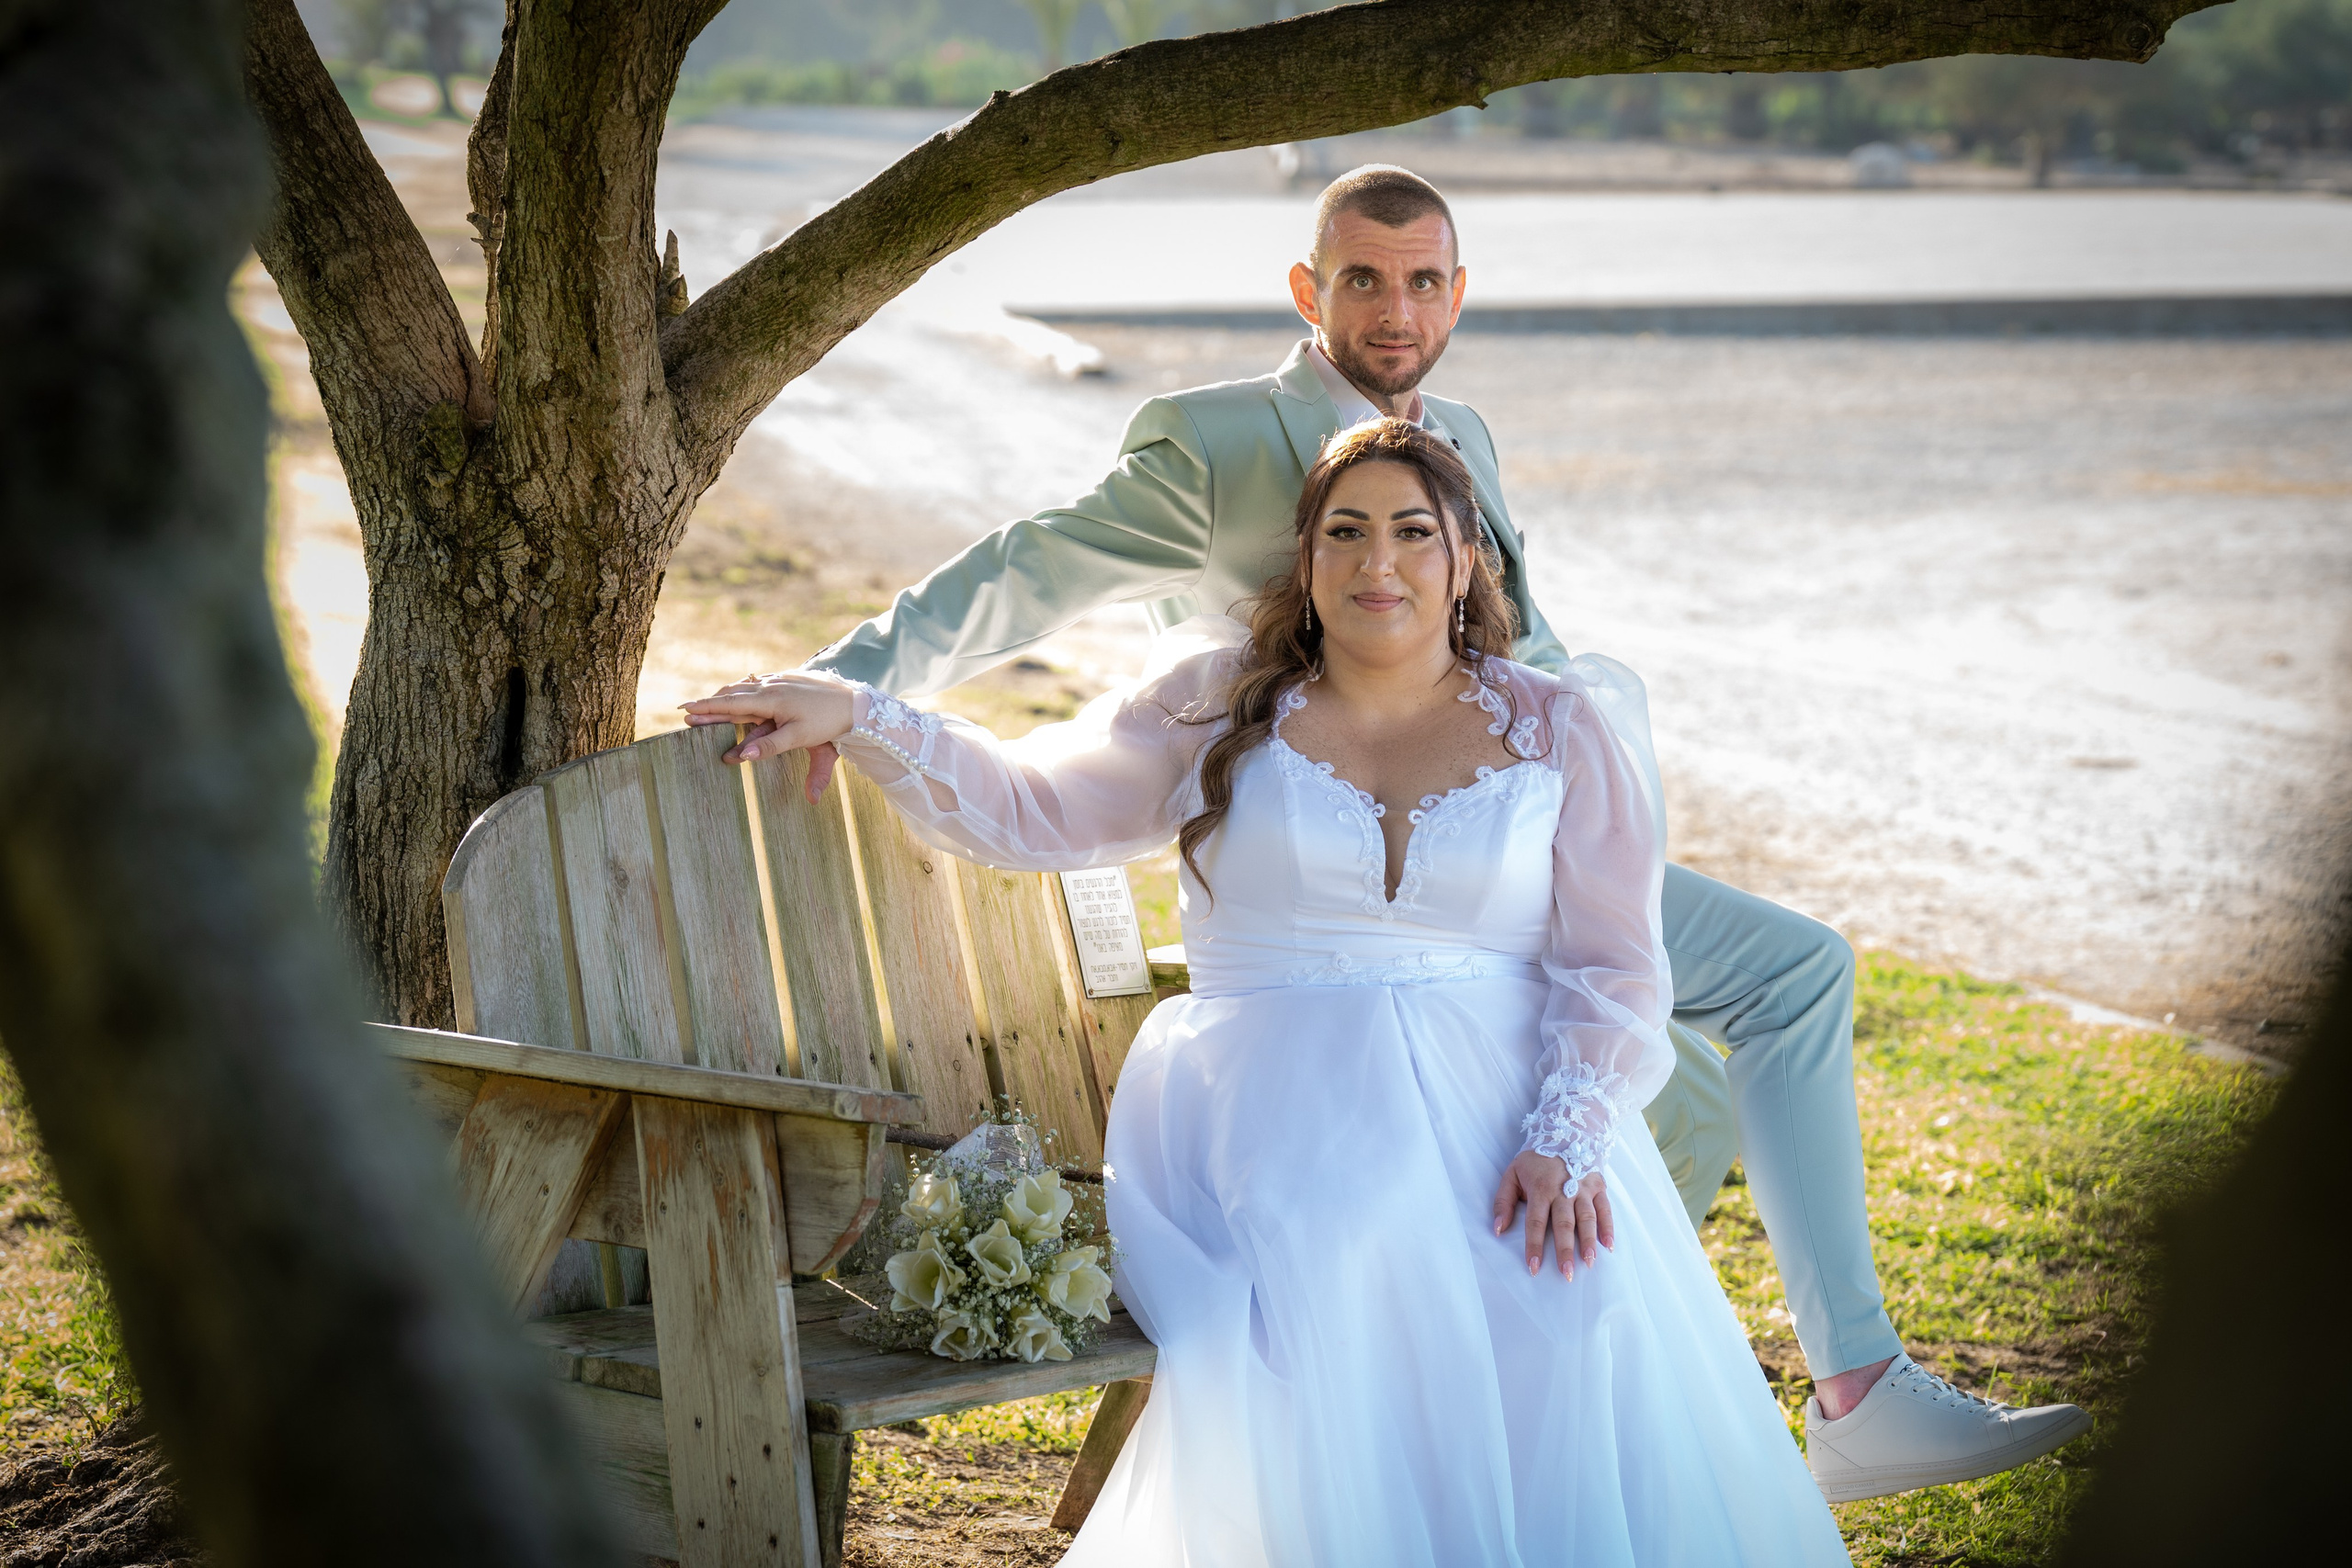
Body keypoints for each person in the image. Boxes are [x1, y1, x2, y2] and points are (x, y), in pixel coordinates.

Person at [725, 164, 2089, 1500]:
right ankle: (1804, 1386)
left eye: (1425, 281)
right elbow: (1025, 573)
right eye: (1366, 280)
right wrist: (849, 682)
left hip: (1501, 818)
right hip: (1308, 851)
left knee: (1709, 1024)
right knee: (1708, 1039)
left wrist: (1559, 755)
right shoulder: (1211, 441)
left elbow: (1523, 647)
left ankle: (1805, 1381)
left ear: (1456, 293)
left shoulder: (1469, 440)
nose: (1395, 310)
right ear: (1310, 287)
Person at [688, 420, 1855, 1563]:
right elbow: (1039, 812)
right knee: (1357, 1231)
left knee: (1554, 1284)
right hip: (1268, 1105)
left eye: (1411, 531)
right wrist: (867, 712)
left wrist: (1568, 1132)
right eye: (1343, 532)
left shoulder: (1557, 726)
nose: (1375, 562)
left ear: (1466, 562)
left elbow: (1613, 963)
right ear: (1304, 562)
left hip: (1513, 1113)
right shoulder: (1220, 703)